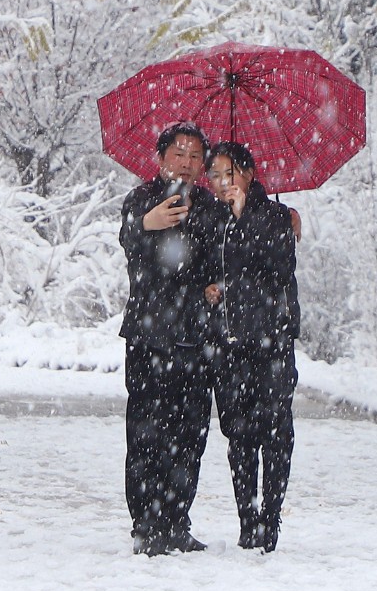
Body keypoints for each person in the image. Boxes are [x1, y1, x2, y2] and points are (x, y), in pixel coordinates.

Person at [119, 122, 221, 557]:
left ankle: (177, 521)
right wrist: (150, 222)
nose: (187, 161)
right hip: (149, 335)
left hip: (195, 338)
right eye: (179, 152)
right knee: (146, 433)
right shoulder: (140, 199)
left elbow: (227, 255)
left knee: (191, 433)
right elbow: (128, 240)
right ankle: (145, 525)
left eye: (196, 156)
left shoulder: (212, 208)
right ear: (161, 157)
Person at [203, 141, 298, 553]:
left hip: (271, 341)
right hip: (228, 343)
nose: (223, 184)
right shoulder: (210, 219)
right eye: (215, 177)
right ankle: (248, 516)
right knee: (239, 435)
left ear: (249, 173)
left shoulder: (278, 216)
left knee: (275, 433)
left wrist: (245, 219)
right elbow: (201, 266)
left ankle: (271, 517)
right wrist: (207, 286)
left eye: (229, 173)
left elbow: (280, 266)